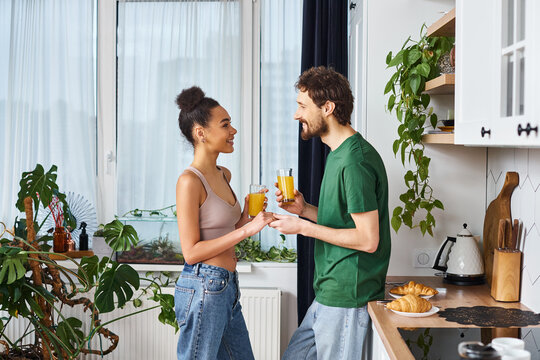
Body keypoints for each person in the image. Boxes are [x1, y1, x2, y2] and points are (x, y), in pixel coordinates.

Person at [269, 66, 391, 359]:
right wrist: (305, 210)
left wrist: (301, 227)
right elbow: (345, 220)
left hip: (348, 294)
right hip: (329, 291)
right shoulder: (339, 154)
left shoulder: (354, 161)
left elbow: (367, 239)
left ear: (328, 108)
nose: (296, 115)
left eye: (302, 106)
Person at [173, 86, 274, 360]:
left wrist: (248, 217)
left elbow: (230, 229)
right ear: (201, 132)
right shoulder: (189, 182)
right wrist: (247, 230)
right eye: (225, 124)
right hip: (203, 285)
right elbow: (191, 252)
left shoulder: (224, 174)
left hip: (226, 286)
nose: (234, 131)